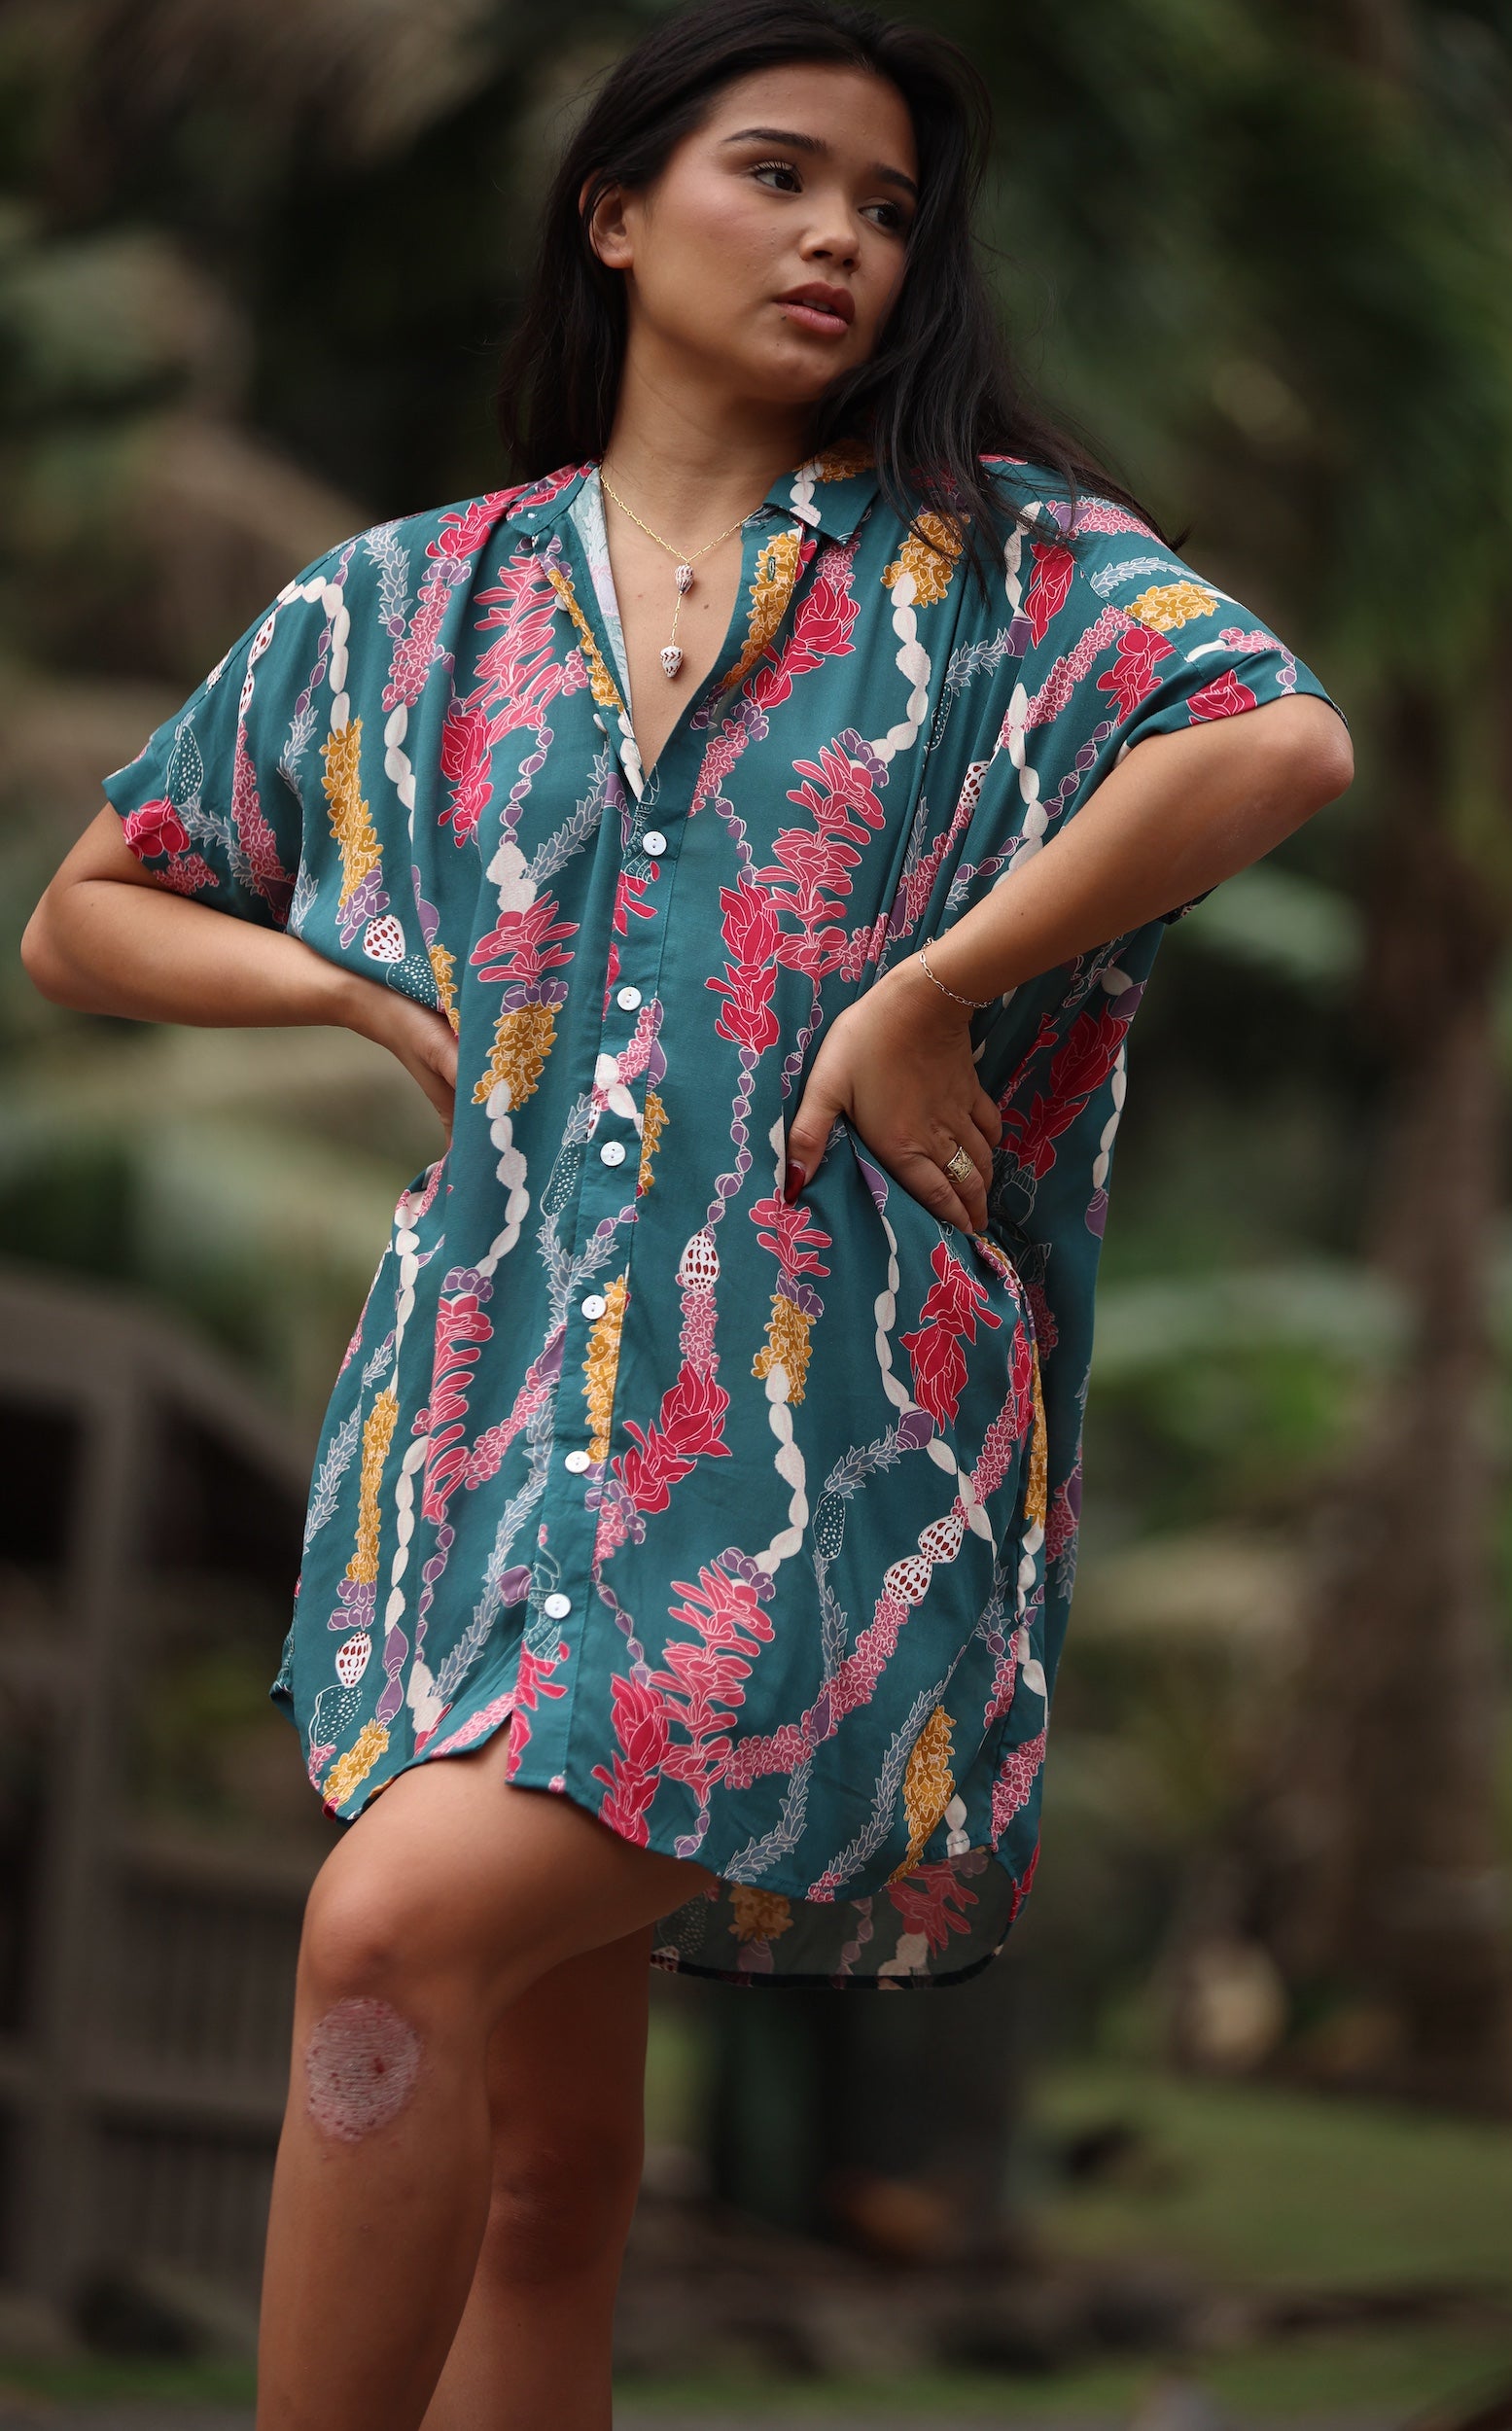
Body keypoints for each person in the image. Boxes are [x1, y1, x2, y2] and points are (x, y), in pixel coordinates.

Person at [20, 0, 1354, 2420]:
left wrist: (943, 981)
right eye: (782, 173)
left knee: (386, 1931)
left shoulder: (998, 572)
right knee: (544, 2180)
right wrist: (352, 992)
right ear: (615, 213)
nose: (845, 232)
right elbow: (90, 907)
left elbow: (1273, 738)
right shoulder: (402, 612)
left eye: (887, 205)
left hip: (825, 1443)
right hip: (475, 1434)